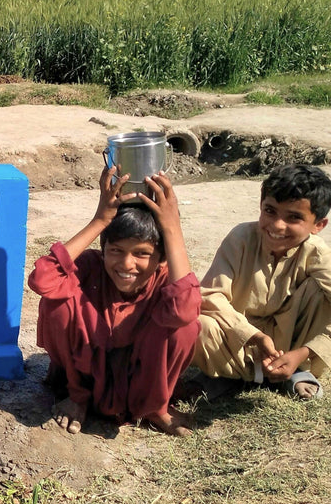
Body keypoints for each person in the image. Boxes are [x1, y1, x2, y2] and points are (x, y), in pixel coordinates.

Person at [29, 167, 200, 436]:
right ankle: (77, 398)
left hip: (139, 379)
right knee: (56, 302)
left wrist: (171, 227)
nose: (126, 264)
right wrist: (99, 220)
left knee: (185, 327)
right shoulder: (90, 268)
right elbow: (42, 280)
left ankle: (155, 408)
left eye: (142, 253)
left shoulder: (164, 279)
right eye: (115, 251)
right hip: (82, 376)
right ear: (103, 249)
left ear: (161, 259)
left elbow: (186, 311)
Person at [194, 164, 331, 400]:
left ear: (318, 225)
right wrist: (255, 336)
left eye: (294, 217)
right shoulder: (241, 239)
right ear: (260, 207)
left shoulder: (316, 253)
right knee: (198, 324)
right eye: (270, 211)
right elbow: (210, 295)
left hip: (291, 345)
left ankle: (294, 368)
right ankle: (236, 375)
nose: (277, 225)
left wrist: (303, 352)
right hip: (239, 342)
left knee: (320, 293)